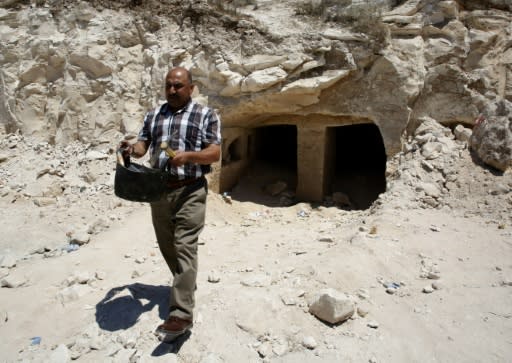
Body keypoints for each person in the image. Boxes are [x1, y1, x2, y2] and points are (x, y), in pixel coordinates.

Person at [119, 66, 221, 340]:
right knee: (168, 247)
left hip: (191, 190)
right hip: (159, 191)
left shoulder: (205, 115)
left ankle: (180, 314)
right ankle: (185, 285)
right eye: (169, 86)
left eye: (178, 86)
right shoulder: (155, 114)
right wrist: (132, 149)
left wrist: (189, 157)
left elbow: (214, 152)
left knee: (184, 244)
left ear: (191, 88)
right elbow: (144, 145)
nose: (173, 91)